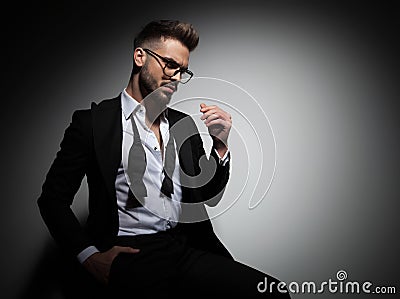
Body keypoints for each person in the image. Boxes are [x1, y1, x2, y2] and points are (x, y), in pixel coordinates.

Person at [37, 19, 291, 298]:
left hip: (183, 249)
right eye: (170, 65)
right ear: (140, 57)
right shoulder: (93, 124)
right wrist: (89, 256)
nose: (177, 78)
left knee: (274, 293)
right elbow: (52, 200)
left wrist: (219, 145)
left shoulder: (184, 125)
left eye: (183, 71)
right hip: (128, 253)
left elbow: (207, 194)